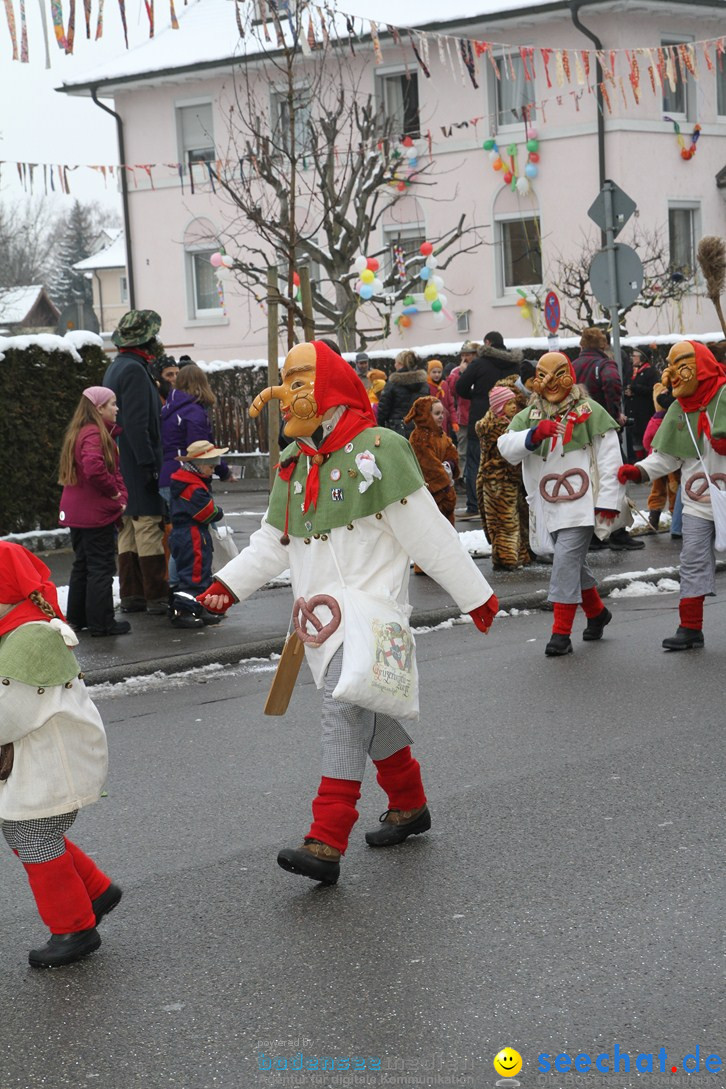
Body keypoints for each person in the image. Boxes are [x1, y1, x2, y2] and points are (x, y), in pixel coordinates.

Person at [198, 341, 499, 885]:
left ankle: (327, 838)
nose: (289, 393)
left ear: (331, 384)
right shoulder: (293, 465)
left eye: (301, 378)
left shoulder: (380, 449)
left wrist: (474, 594)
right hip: (318, 621)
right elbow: (273, 541)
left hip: (372, 613)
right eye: (285, 380)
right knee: (371, 708)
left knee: (343, 707)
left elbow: (426, 532)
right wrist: (225, 585)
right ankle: (409, 805)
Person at [0, 542, 122, 969]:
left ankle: (74, 929)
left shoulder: (31, 637)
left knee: (34, 836)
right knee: (27, 833)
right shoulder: (15, 625)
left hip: (53, 764)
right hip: (39, 761)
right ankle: (96, 890)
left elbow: (7, 714)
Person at [498, 351, 624, 657]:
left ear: (569, 374)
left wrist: (608, 501)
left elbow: (610, 459)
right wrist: (532, 435)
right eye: (543, 375)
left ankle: (560, 634)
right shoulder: (528, 415)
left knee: (565, 562)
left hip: (580, 504)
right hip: (545, 503)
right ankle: (597, 614)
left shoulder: (589, 411)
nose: (551, 382)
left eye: (558, 374)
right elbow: (505, 447)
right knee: (572, 564)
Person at [618, 340, 726, 650]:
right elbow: (667, 457)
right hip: (697, 502)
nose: (671, 375)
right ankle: (690, 627)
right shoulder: (679, 407)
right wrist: (638, 471)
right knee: (692, 561)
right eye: (670, 366)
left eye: (680, 366)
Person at [103, 309, 168, 614]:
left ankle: (131, 594)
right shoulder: (135, 371)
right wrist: (149, 465)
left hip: (120, 460)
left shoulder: (116, 367)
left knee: (128, 527)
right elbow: (139, 424)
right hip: (137, 460)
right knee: (147, 527)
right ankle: (156, 595)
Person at [58, 387, 129, 638]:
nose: (116, 408)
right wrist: (114, 494)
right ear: (99, 408)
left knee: (83, 564)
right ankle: (102, 623)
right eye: (112, 404)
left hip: (76, 512)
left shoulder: (78, 431)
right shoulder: (95, 433)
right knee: (101, 567)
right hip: (95, 512)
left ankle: (78, 619)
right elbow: (94, 467)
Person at [572, 328, 644, 553]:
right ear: (603, 345)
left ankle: (592, 535)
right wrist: (615, 415)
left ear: (582, 344)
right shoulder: (605, 364)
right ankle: (617, 533)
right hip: (603, 430)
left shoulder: (573, 366)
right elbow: (613, 386)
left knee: (588, 481)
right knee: (615, 478)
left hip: (578, 430)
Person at [455, 332, 522, 520]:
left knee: (476, 461)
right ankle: (509, 501)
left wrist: (478, 397)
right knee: (508, 459)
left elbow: (460, 387)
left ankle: (475, 505)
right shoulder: (514, 364)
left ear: (487, 343)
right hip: (510, 419)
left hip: (481, 417)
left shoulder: (479, 363)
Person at [168, 440, 229, 629]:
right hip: (191, 533)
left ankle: (198, 606)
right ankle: (183, 611)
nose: (213, 470)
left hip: (188, 533)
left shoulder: (187, 482)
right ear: (199, 466)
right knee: (193, 574)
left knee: (200, 570)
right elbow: (208, 512)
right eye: (211, 466)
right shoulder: (193, 487)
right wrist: (218, 511)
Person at [475, 379, 532, 571]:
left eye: (513, 402)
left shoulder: (505, 423)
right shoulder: (497, 427)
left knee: (514, 517)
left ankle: (519, 554)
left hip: (508, 479)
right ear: (499, 407)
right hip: (498, 480)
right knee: (504, 520)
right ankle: (506, 557)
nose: (513, 406)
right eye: (508, 403)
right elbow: (504, 454)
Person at [404, 395, 459, 556]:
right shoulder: (419, 437)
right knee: (430, 530)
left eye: (442, 413)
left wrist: (450, 465)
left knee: (445, 532)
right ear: (425, 415)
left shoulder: (441, 435)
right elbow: (428, 465)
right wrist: (444, 485)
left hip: (444, 490)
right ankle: (429, 563)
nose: (441, 416)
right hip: (432, 492)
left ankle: (448, 559)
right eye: (436, 413)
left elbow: (452, 453)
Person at [642, 382, 679, 532]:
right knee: (674, 489)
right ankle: (676, 519)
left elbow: (646, 440)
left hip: (656, 459)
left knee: (657, 491)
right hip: (672, 461)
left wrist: (650, 451)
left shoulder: (654, 421)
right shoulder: (674, 418)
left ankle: (653, 520)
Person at [446, 342, 479, 492]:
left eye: (469, 354)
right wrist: (462, 373)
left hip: (477, 414)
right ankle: (460, 478)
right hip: (464, 417)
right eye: (463, 355)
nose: (465, 358)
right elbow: (452, 390)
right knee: (463, 449)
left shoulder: (479, 367)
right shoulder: (455, 372)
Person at [376, 350, 429, 436]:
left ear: (401, 364)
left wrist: (380, 425)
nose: (394, 365)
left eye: (396, 362)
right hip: (419, 426)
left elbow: (383, 409)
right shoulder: (424, 384)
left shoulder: (393, 383)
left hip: (397, 428)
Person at [624, 345, 658, 459]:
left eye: (634, 356)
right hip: (635, 416)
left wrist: (635, 389)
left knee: (646, 443)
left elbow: (654, 390)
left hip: (645, 415)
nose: (632, 358)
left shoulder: (651, 372)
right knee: (636, 444)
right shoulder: (633, 372)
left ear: (642, 358)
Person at [426, 359, 455, 435]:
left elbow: (450, 404)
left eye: (439, 372)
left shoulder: (444, 385)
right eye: (434, 372)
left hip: (444, 421)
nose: (437, 375)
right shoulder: (426, 386)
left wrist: (454, 421)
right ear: (429, 373)